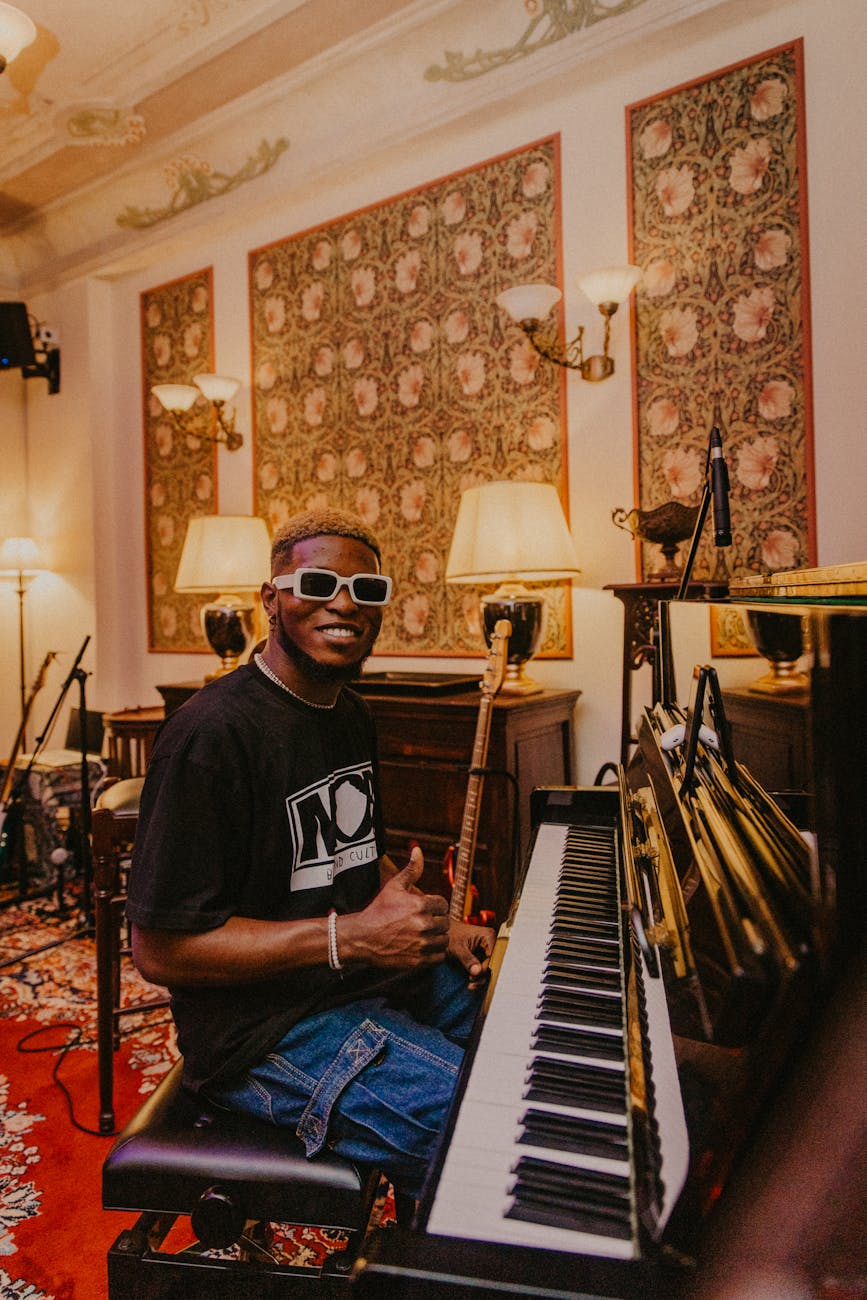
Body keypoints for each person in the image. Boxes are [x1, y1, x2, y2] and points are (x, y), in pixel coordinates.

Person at [127, 506, 495, 1199]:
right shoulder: (209, 735)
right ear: (270, 599)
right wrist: (351, 937)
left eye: (366, 590)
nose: (344, 604)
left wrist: (440, 928)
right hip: (263, 1034)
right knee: (490, 1126)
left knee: (532, 1049)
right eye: (318, 584)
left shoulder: (349, 711)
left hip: (359, 979)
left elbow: (352, 855)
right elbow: (159, 951)